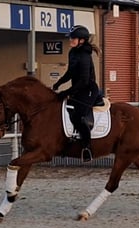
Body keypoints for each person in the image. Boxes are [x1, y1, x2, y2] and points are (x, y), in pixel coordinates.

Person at [52, 25, 103, 162]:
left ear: (81, 40)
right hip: (78, 88)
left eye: (73, 38)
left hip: (89, 90)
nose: (70, 40)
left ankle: (87, 148)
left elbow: (84, 81)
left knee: (79, 116)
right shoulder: (73, 52)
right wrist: (58, 84)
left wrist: (66, 92)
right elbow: (70, 72)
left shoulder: (85, 56)